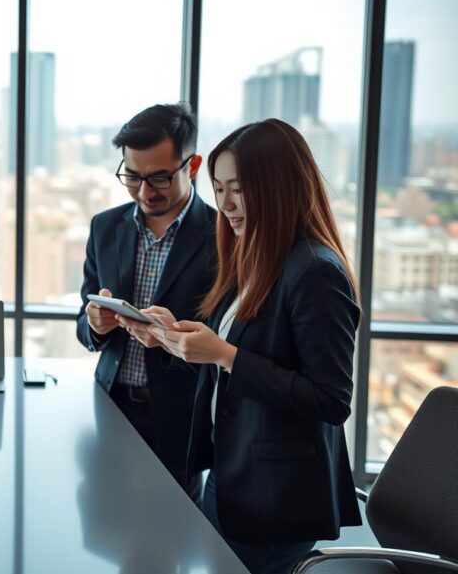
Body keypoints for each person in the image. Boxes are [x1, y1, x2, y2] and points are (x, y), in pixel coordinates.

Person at [127, 119, 362, 573]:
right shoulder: (255, 259)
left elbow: (331, 401)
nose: (226, 204)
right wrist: (171, 340)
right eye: (218, 188)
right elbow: (230, 368)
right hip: (234, 475)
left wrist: (226, 355)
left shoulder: (315, 271)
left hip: (276, 498)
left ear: (280, 186)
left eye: (239, 188)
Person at [75, 102, 217, 503]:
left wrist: (172, 339)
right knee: (103, 521)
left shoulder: (222, 238)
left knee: (170, 538)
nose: (143, 191)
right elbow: (83, 326)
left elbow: (228, 342)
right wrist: (95, 326)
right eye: (132, 177)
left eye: (158, 178)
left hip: (179, 417)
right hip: (111, 405)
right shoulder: (105, 227)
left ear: (191, 167)